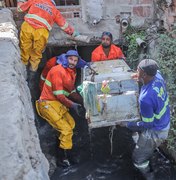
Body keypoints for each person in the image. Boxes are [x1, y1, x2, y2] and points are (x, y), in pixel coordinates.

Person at [119, 59, 170, 180]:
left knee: (138, 158)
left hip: (156, 131)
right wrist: (139, 77)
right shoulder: (157, 76)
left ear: (145, 74)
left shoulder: (145, 98)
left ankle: (149, 175)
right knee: (143, 142)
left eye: (138, 70)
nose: (136, 71)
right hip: (164, 121)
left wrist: (127, 124)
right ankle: (149, 151)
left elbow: (147, 124)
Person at [36, 50, 87, 167]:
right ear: (65, 58)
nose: (72, 62)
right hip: (47, 103)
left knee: (71, 124)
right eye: (70, 59)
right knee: (66, 130)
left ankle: (66, 151)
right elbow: (59, 95)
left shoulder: (71, 72)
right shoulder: (58, 71)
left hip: (56, 103)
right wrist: (73, 105)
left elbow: (71, 92)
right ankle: (62, 157)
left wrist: (84, 102)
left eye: (75, 60)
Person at [17, 0, 79, 86]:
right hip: (41, 32)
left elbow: (20, 8)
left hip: (28, 26)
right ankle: (31, 77)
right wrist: (73, 33)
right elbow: (63, 25)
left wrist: (21, 1)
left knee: (24, 49)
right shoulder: (54, 10)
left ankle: (22, 69)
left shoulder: (35, 1)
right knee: (36, 55)